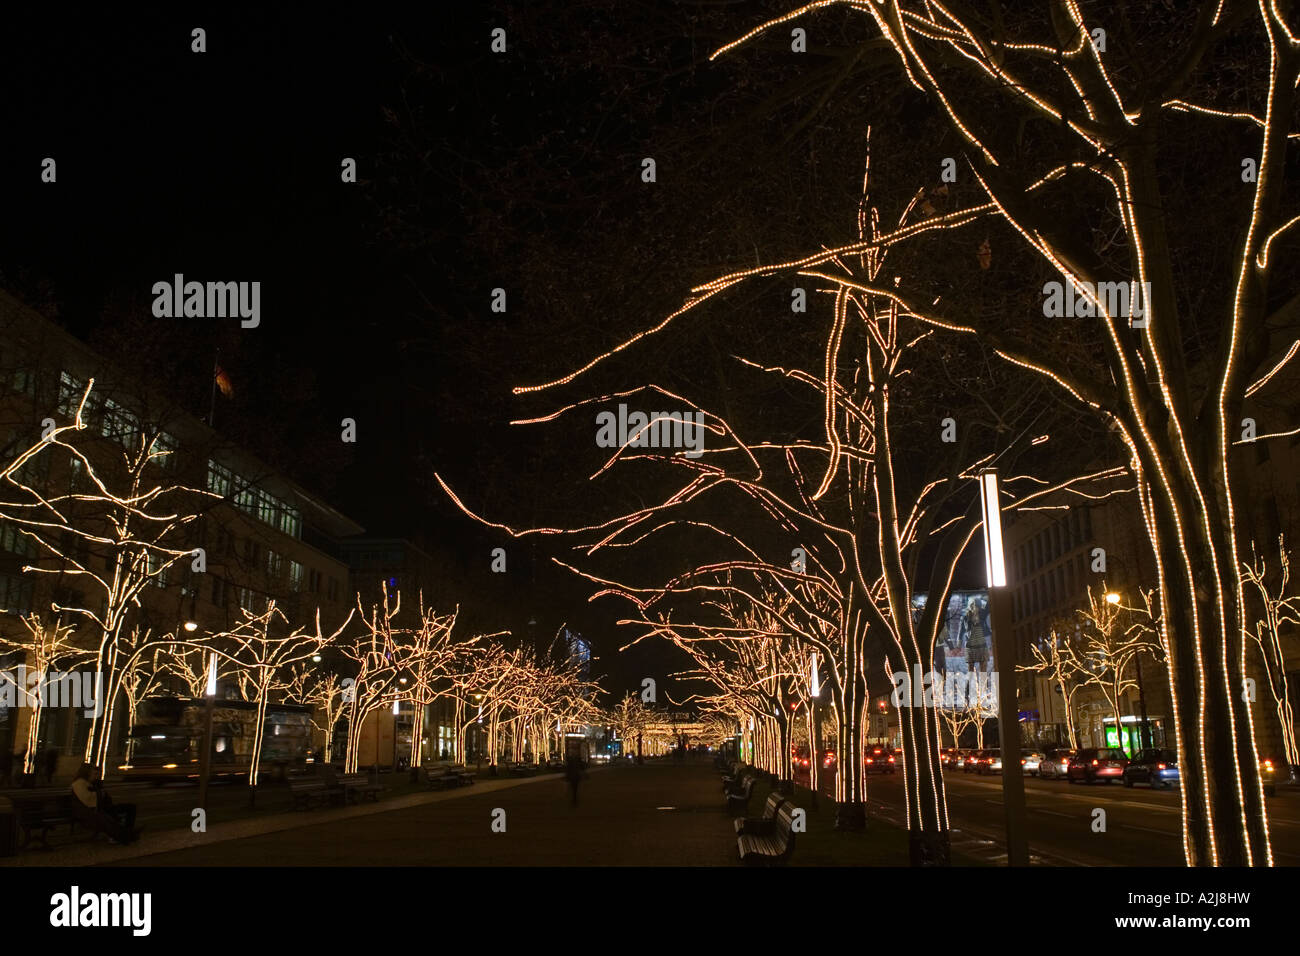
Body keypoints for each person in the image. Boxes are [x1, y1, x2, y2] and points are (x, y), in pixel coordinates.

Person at [70, 763, 140, 845]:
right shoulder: (79, 783)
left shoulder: (90, 783)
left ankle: (128, 834)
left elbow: (103, 797)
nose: (96, 776)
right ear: (87, 773)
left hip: (96, 808)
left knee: (112, 816)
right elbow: (87, 799)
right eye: (94, 773)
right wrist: (100, 794)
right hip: (86, 811)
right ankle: (126, 836)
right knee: (105, 819)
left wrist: (100, 792)